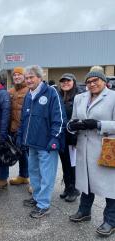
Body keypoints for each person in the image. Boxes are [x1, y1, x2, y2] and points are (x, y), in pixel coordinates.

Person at [68, 71, 115, 237]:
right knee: (86, 181)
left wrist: (99, 124)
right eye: (88, 81)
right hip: (84, 147)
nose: (92, 84)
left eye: (95, 80)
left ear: (104, 81)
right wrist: (72, 126)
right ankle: (84, 211)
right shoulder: (79, 98)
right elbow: (74, 119)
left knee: (110, 186)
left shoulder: (113, 97)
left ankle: (110, 220)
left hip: (106, 148)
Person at [18, 65, 66, 218]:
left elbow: (59, 119)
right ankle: (37, 198)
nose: (29, 80)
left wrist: (54, 139)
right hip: (32, 143)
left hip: (47, 144)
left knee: (47, 175)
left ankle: (44, 205)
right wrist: (21, 136)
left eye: (31, 77)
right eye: (27, 78)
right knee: (34, 173)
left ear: (39, 77)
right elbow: (24, 120)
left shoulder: (51, 93)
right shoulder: (28, 95)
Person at [57, 73, 81, 202]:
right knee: (65, 163)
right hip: (62, 137)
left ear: (74, 82)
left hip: (73, 138)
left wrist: (76, 135)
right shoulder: (59, 96)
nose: (65, 83)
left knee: (72, 164)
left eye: (68, 81)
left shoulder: (79, 97)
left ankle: (74, 189)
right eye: (63, 81)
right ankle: (67, 187)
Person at [8, 67, 30, 186]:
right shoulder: (10, 91)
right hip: (14, 128)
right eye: (15, 75)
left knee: (30, 155)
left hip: (26, 128)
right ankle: (23, 175)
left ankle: (33, 180)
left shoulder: (29, 90)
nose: (16, 77)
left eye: (19, 75)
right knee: (21, 153)